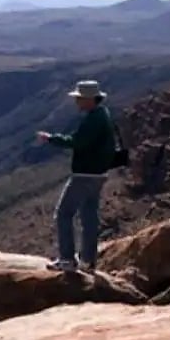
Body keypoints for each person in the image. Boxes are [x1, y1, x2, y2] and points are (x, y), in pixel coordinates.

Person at [35, 80, 117, 273]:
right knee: (88, 216)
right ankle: (88, 262)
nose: (77, 102)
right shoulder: (102, 114)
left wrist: (51, 139)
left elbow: (78, 142)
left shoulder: (93, 119)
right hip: (98, 174)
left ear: (89, 99)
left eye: (79, 98)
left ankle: (67, 260)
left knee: (64, 213)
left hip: (85, 174)